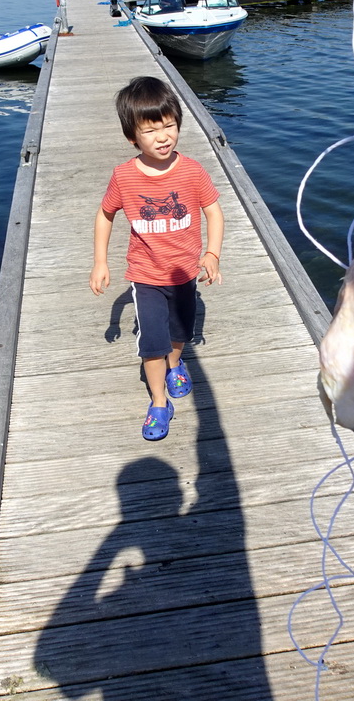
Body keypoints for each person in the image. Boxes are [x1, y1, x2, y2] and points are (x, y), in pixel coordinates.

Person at [90, 76, 224, 442]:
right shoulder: (123, 177)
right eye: (151, 131)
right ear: (132, 137)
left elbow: (213, 210)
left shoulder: (193, 171)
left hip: (183, 276)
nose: (163, 136)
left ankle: (176, 363)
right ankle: (160, 403)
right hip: (145, 277)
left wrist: (212, 253)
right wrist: (100, 261)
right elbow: (105, 214)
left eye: (170, 125)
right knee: (152, 343)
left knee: (179, 334)